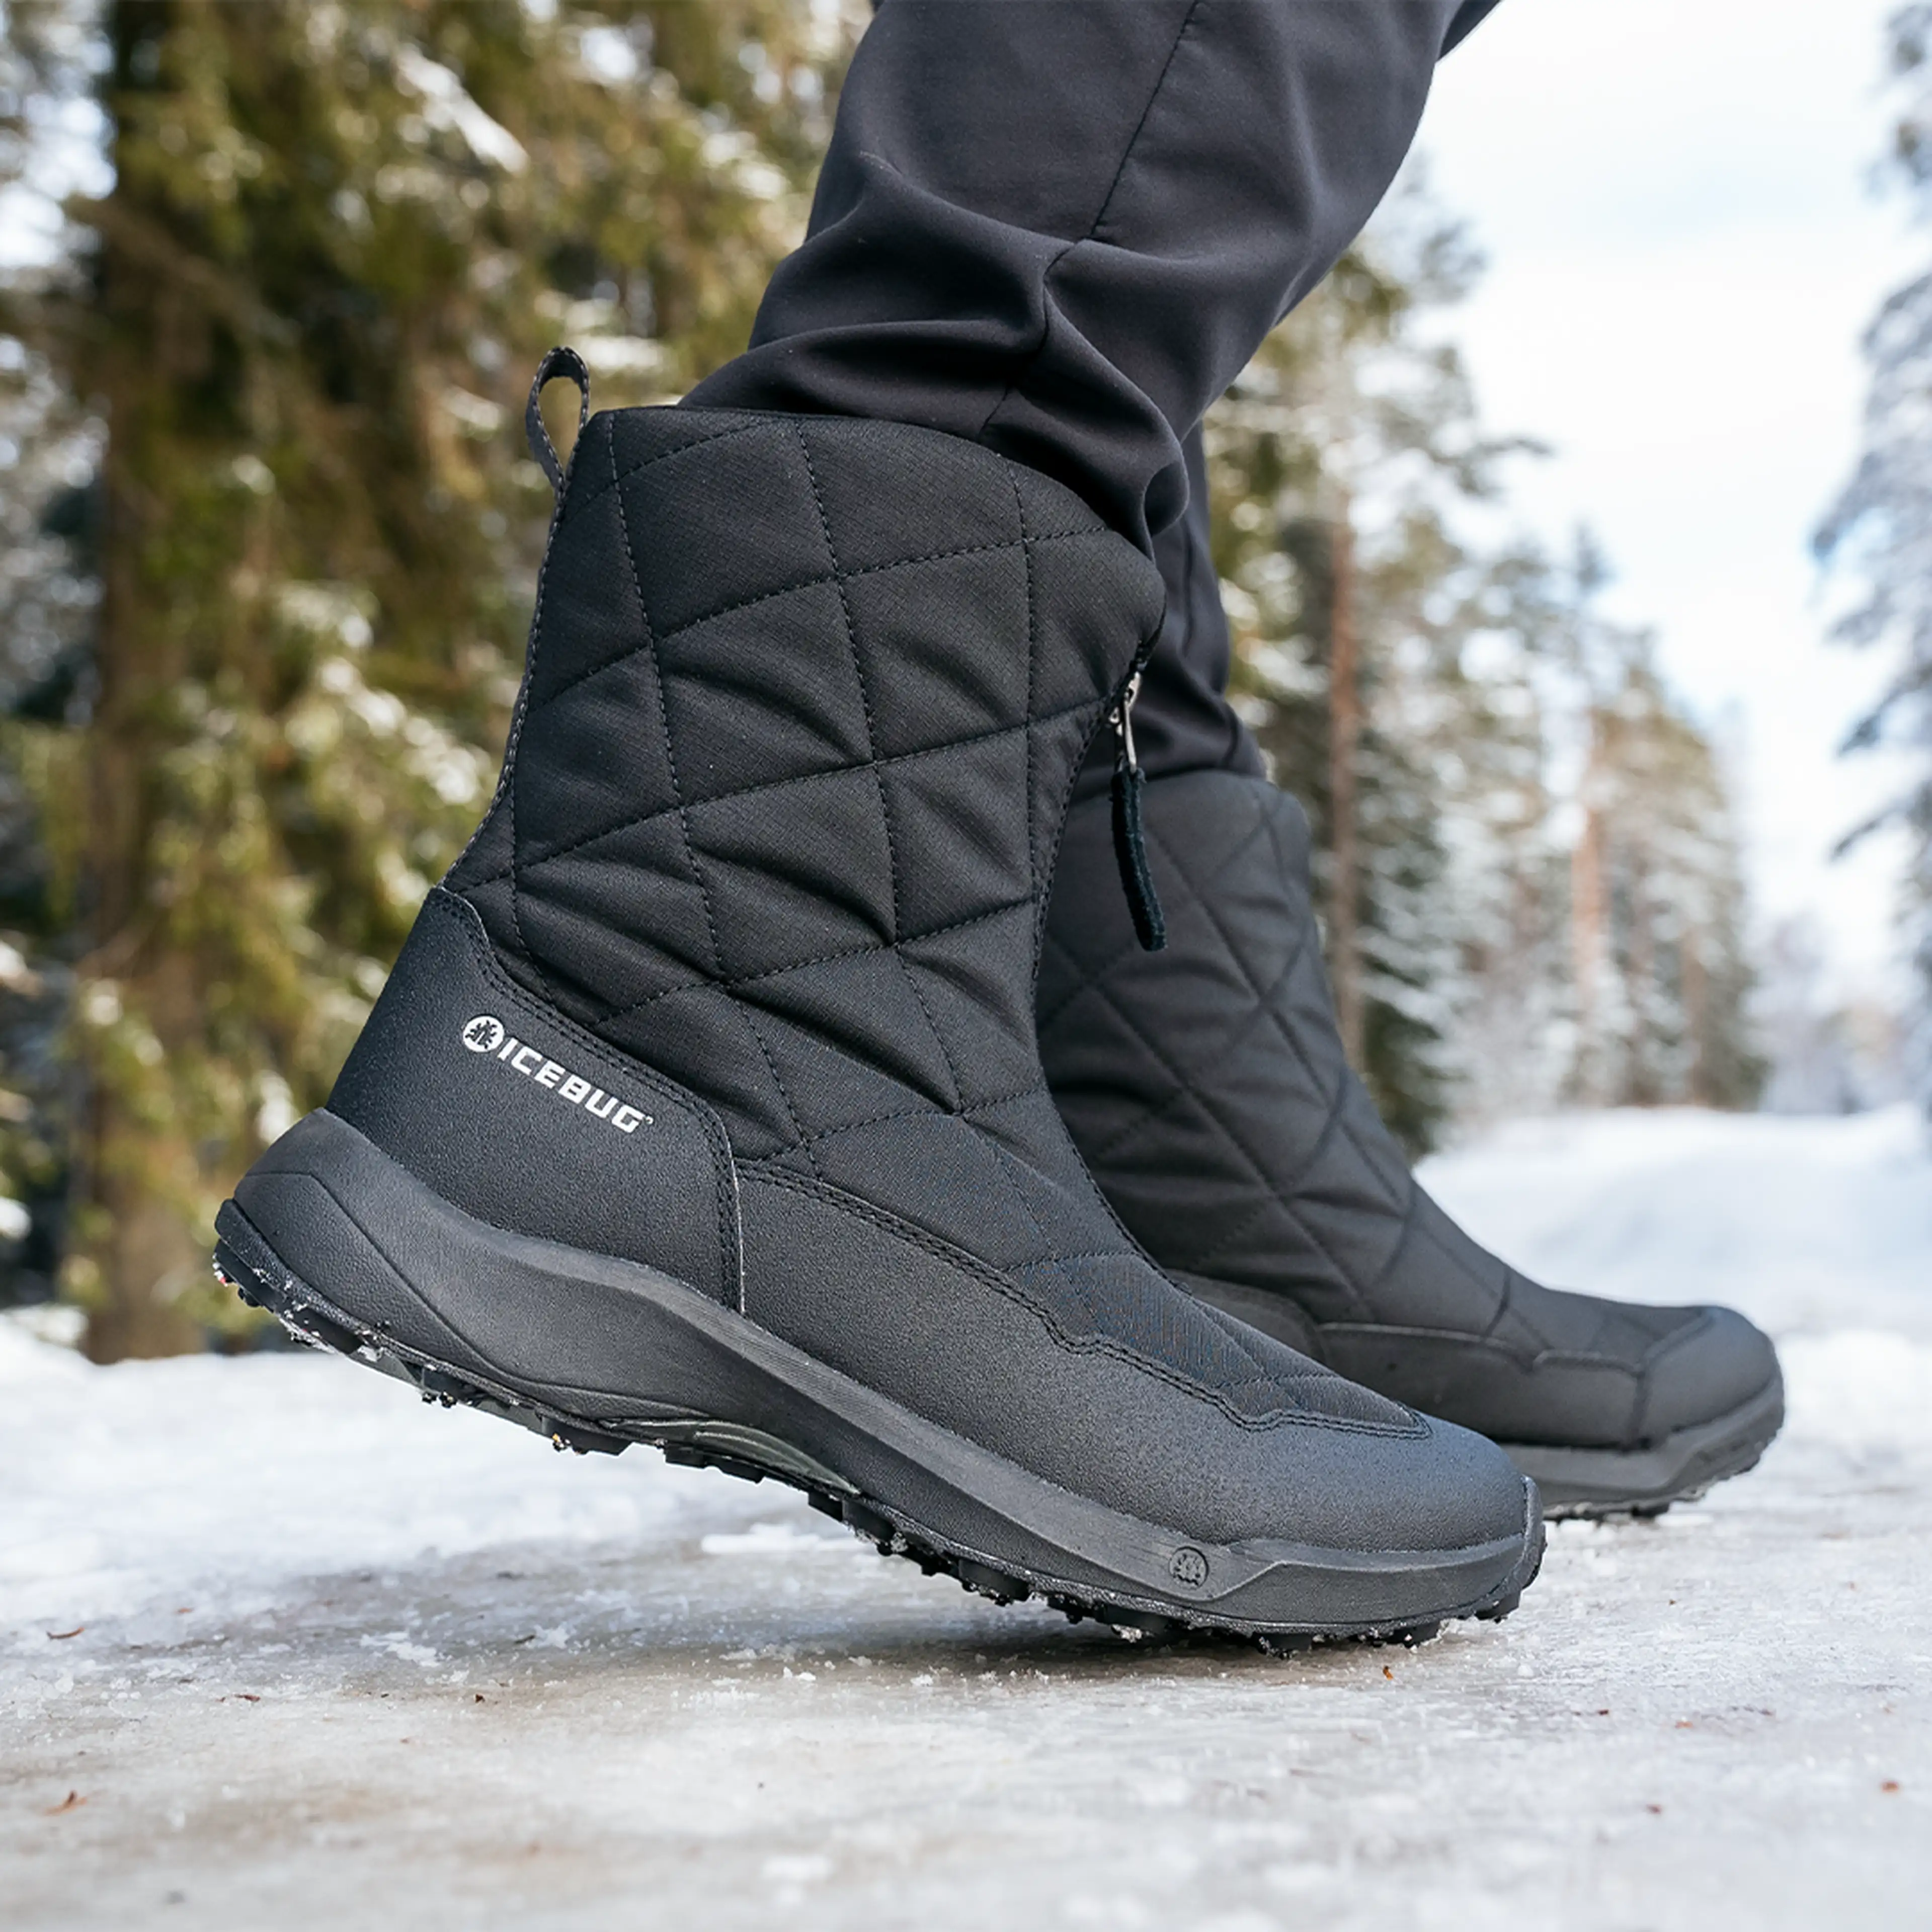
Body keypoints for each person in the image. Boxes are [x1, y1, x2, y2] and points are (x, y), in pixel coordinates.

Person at [218, 3, 1778, 1647]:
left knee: (1121, 346)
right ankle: (685, 987)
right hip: (717, 959)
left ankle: (1174, 1167)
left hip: (1028, 912)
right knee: (1035, 322)